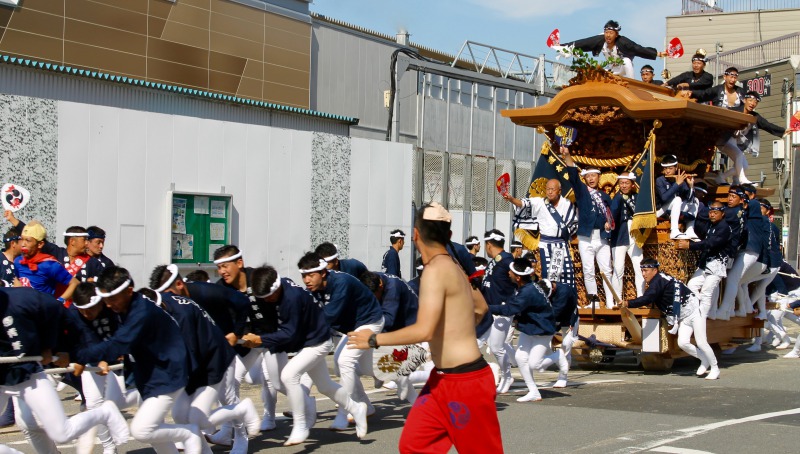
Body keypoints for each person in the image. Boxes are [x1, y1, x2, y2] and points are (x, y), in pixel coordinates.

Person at [347, 202, 503, 454]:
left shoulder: (434, 271)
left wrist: (373, 340)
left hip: (465, 382)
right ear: (449, 236)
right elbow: (481, 308)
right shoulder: (456, 269)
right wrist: (455, 333)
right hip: (442, 381)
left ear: (415, 234)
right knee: (414, 446)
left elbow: (424, 330)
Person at [73, 267, 207, 452]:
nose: (109, 304)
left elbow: (118, 344)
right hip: (149, 374)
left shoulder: (141, 312)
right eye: (106, 300)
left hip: (169, 373)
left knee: (142, 430)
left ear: (129, 290)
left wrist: (79, 356)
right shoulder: (123, 306)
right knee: (156, 436)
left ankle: (189, 432)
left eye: (112, 299)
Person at [241, 266, 368, 445]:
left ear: (276, 287)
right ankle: (356, 407)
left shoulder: (290, 298)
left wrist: (260, 339)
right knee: (325, 386)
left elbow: (288, 333)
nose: (267, 301)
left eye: (268, 296)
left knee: (289, 375)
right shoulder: (279, 290)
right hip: (307, 341)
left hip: (318, 341)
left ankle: (300, 424)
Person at [0, 286, 130, 454]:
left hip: (29, 371)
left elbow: (58, 311)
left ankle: (104, 412)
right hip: (3, 377)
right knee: (26, 423)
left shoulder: (22, 298)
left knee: (62, 432)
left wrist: (51, 346)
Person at [141, 286, 260, 454]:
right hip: (193, 363)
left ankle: (242, 419)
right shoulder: (161, 306)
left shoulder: (181, 317)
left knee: (203, 414)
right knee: (181, 415)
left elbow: (187, 356)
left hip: (214, 359)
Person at [297, 252, 384, 430]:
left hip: (371, 321)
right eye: (303, 275)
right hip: (353, 327)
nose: (306, 280)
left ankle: (346, 412)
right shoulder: (314, 288)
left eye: (311, 275)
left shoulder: (340, 283)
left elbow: (327, 317)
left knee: (345, 361)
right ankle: (367, 405)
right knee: (362, 368)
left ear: (323, 273)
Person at [59, 282, 141, 454]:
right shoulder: (74, 314)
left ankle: (141, 393)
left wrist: (109, 357)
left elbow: (122, 331)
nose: (86, 314)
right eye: (82, 310)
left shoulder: (111, 306)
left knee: (116, 402)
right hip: (92, 359)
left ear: (99, 302)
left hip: (117, 359)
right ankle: (109, 447)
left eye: (90, 309)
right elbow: (85, 338)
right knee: (95, 405)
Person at [622, 258, 720, 380]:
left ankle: (715, 368)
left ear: (654, 270)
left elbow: (648, 298)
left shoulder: (658, 281)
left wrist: (627, 303)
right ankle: (704, 359)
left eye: (646, 271)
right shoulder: (660, 278)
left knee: (701, 342)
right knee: (683, 343)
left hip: (695, 311)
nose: (643, 274)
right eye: (642, 271)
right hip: (683, 317)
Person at [490, 258, 560, 403]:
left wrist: (486, 308)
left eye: (510, 271)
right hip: (529, 328)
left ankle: (558, 356)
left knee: (535, 364)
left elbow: (510, 309)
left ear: (518, 277)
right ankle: (534, 391)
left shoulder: (527, 291)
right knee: (520, 358)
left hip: (542, 330)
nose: (508, 273)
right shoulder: (526, 287)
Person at [563, 146, 614, 307]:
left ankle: (611, 301)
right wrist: (567, 156)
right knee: (588, 270)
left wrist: (609, 224)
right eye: (588, 176)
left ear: (599, 177)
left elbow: (612, 216)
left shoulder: (605, 196)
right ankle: (594, 302)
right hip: (586, 237)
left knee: (607, 270)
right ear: (585, 178)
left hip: (603, 237)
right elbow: (572, 174)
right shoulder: (582, 192)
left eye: (594, 175)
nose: (591, 178)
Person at [505, 179, 578, 288]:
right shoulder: (540, 202)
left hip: (561, 244)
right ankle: (549, 300)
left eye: (552, 189)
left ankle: (566, 299)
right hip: (546, 244)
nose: (549, 192)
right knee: (549, 276)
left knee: (565, 274)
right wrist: (511, 199)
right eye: (547, 189)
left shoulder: (567, 204)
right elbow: (524, 204)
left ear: (559, 190)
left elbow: (574, 222)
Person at [720, 184, 769, 319]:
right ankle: (738, 309)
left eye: (743, 196)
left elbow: (748, 203)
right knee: (738, 281)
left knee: (733, 279)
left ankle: (724, 311)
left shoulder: (753, 206)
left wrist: (744, 199)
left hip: (751, 252)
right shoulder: (743, 212)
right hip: (745, 251)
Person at [677, 201, 733, 319]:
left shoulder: (724, 228)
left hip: (717, 265)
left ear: (722, 214)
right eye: (711, 212)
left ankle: (701, 318)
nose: (712, 214)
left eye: (715, 212)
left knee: (707, 293)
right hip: (705, 264)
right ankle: (705, 312)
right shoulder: (711, 226)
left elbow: (711, 243)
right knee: (691, 286)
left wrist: (690, 246)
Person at [479, 229, 517, 393]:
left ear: (489, 244)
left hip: (501, 310)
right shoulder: (495, 261)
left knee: (496, 347)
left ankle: (507, 375)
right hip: (487, 310)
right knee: (475, 344)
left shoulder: (507, 260)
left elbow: (518, 278)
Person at [561, 20, 665, 79]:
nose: (608, 35)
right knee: (593, 71)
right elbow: (582, 43)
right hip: (611, 70)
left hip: (623, 70)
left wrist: (658, 53)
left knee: (626, 61)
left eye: (611, 33)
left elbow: (638, 49)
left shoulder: (623, 42)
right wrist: (563, 47)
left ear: (616, 34)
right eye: (606, 32)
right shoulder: (600, 40)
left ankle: (631, 85)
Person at [13, 221, 79, 300]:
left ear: (40, 244)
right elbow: (17, 279)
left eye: (28, 240)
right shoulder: (18, 261)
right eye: (22, 239)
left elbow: (75, 283)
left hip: (43, 310)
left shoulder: (50, 265)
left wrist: (60, 301)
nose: (23, 244)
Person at [610, 172, 644, 299]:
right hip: (620, 235)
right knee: (618, 269)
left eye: (626, 183)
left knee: (639, 266)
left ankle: (641, 296)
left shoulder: (637, 197)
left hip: (634, 234)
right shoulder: (616, 198)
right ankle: (617, 298)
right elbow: (612, 214)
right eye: (621, 183)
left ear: (632, 184)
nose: (623, 186)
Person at [543, 278, 579, 388]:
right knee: (544, 343)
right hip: (554, 319)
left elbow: (571, 307)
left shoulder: (565, 290)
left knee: (566, 345)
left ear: (553, 288)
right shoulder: (543, 288)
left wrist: (572, 322)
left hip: (569, 320)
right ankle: (560, 363)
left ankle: (563, 377)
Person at [656, 155, 699, 239]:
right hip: (662, 210)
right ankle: (674, 230)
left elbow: (689, 200)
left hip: (675, 210)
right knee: (677, 199)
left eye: (670, 168)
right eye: (665, 168)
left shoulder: (680, 180)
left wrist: (691, 186)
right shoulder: (660, 180)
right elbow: (664, 198)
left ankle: (690, 229)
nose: (667, 171)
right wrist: (676, 185)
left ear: (676, 168)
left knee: (696, 201)